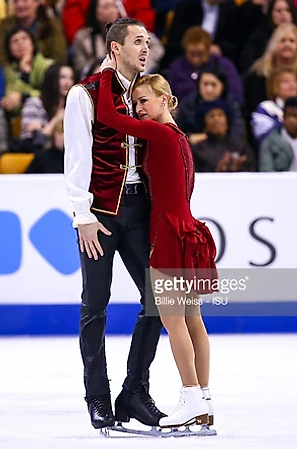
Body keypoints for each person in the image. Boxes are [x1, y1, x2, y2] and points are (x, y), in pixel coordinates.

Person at [97, 53, 218, 428]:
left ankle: (190, 397)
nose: (138, 109)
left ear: (165, 100)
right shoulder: (179, 137)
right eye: (136, 102)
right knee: (193, 321)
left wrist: (105, 76)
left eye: (144, 101)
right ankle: (205, 404)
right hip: (188, 231)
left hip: (169, 235)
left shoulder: (161, 133)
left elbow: (108, 118)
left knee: (174, 321)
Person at [63, 18, 165, 430]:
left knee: (162, 298)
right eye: (138, 41)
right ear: (115, 48)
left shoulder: (146, 93)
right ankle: (98, 398)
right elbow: (76, 159)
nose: (146, 47)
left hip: (141, 211)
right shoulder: (84, 94)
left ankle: (134, 392)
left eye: (148, 41)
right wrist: (82, 214)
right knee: (95, 305)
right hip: (101, 214)